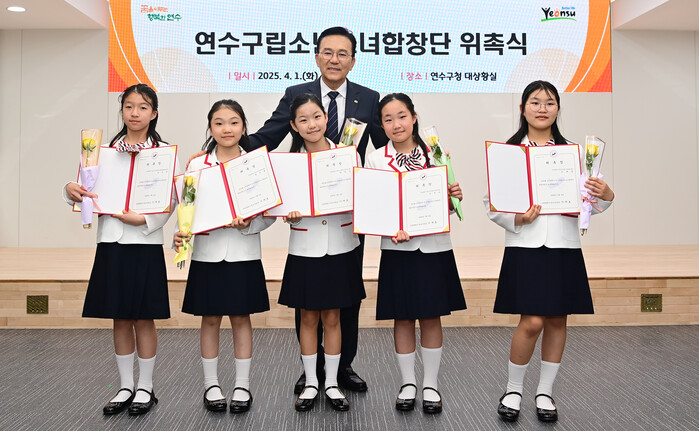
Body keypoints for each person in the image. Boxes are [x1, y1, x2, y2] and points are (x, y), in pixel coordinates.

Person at [251, 26, 386, 394]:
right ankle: (310, 370)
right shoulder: (296, 94)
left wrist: (424, 163)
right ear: (316, 57)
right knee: (307, 303)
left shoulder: (369, 98)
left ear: (353, 61)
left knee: (346, 298)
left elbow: (386, 146)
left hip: (347, 218)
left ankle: (343, 367)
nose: (334, 59)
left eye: (343, 54)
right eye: (328, 52)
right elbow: (267, 136)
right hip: (306, 221)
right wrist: (225, 148)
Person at [485, 80, 615, 423]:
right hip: (525, 245)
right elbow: (492, 203)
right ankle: (513, 390)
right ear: (522, 108)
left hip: (563, 246)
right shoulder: (508, 152)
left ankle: (545, 392)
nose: (542, 108)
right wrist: (518, 217)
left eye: (550, 102)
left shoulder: (575, 153)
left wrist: (605, 195)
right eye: (535, 102)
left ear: (558, 109)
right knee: (531, 321)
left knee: (558, 319)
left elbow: (590, 203)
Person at [62, 83, 179, 416]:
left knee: (144, 316)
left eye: (143, 107)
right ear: (122, 110)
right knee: (120, 316)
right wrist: (69, 190)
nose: (135, 113)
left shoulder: (164, 153)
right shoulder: (100, 153)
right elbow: (82, 190)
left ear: (154, 113)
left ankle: (146, 387)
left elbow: (172, 199)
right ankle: (126, 385)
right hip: (111, 241)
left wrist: (145, 219)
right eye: (129, 106)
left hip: (144, 242)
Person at [365, 93, 466, 414]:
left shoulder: (436, 154)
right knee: (403, 316)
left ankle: (430, 384)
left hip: (434, 247)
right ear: (381, 125)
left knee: (431, 316)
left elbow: (446, 205)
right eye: (388, 119)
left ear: (414, 117)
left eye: (402, 116)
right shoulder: (375, 160)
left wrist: (453, 196)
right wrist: (389, 227)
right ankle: (408, 382)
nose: (396, 124)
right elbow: (372, 206)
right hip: (398, 249)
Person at [175, 100, 274, 414]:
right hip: (207, 254)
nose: (226, 129)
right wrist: (181, 235)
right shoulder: (196, 167)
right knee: (210, 318)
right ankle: (211, 385)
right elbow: (186, 209)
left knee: (241, 318)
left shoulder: (256, 164)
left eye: (233, 122)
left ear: (244, 127)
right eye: (219, 123)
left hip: (244, 253)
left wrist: (249, 224)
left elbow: (269, 213)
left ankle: (242, 385)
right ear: (210, 128)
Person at [277, 94, 365, 412]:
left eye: (316, 116)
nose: (311, 124)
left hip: (341, 246)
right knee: (308, 317)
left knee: (333, 317)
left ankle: (332, 383)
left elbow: (362, 198)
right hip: (305, 248)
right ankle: (312, 382)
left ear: (326, 118)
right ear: (294, 125)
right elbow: (280, 203)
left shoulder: (348, 155)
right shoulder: (288, 164)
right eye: (303, 119)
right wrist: (288, 213)